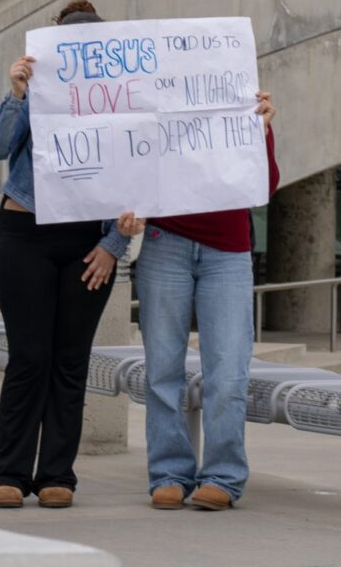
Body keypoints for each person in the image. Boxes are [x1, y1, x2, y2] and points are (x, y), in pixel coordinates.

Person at [0, 0, 144, 509]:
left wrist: (114, 246)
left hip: (88, 244)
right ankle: (6, 472)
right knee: (29, 357)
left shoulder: (125, 96)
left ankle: (57, 476)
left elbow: (140, 173)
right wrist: (18, 95)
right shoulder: (35, 88)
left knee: (71, 360)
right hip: (26, 231)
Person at [131, 89, 278, 511]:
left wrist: (263, 131)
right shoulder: (156, 110)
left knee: (229, 369)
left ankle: (223, 475)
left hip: (228, 251)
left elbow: (264, 186)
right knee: (162, 368)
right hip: (165, 241)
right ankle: (169, 473)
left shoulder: (243, 109)